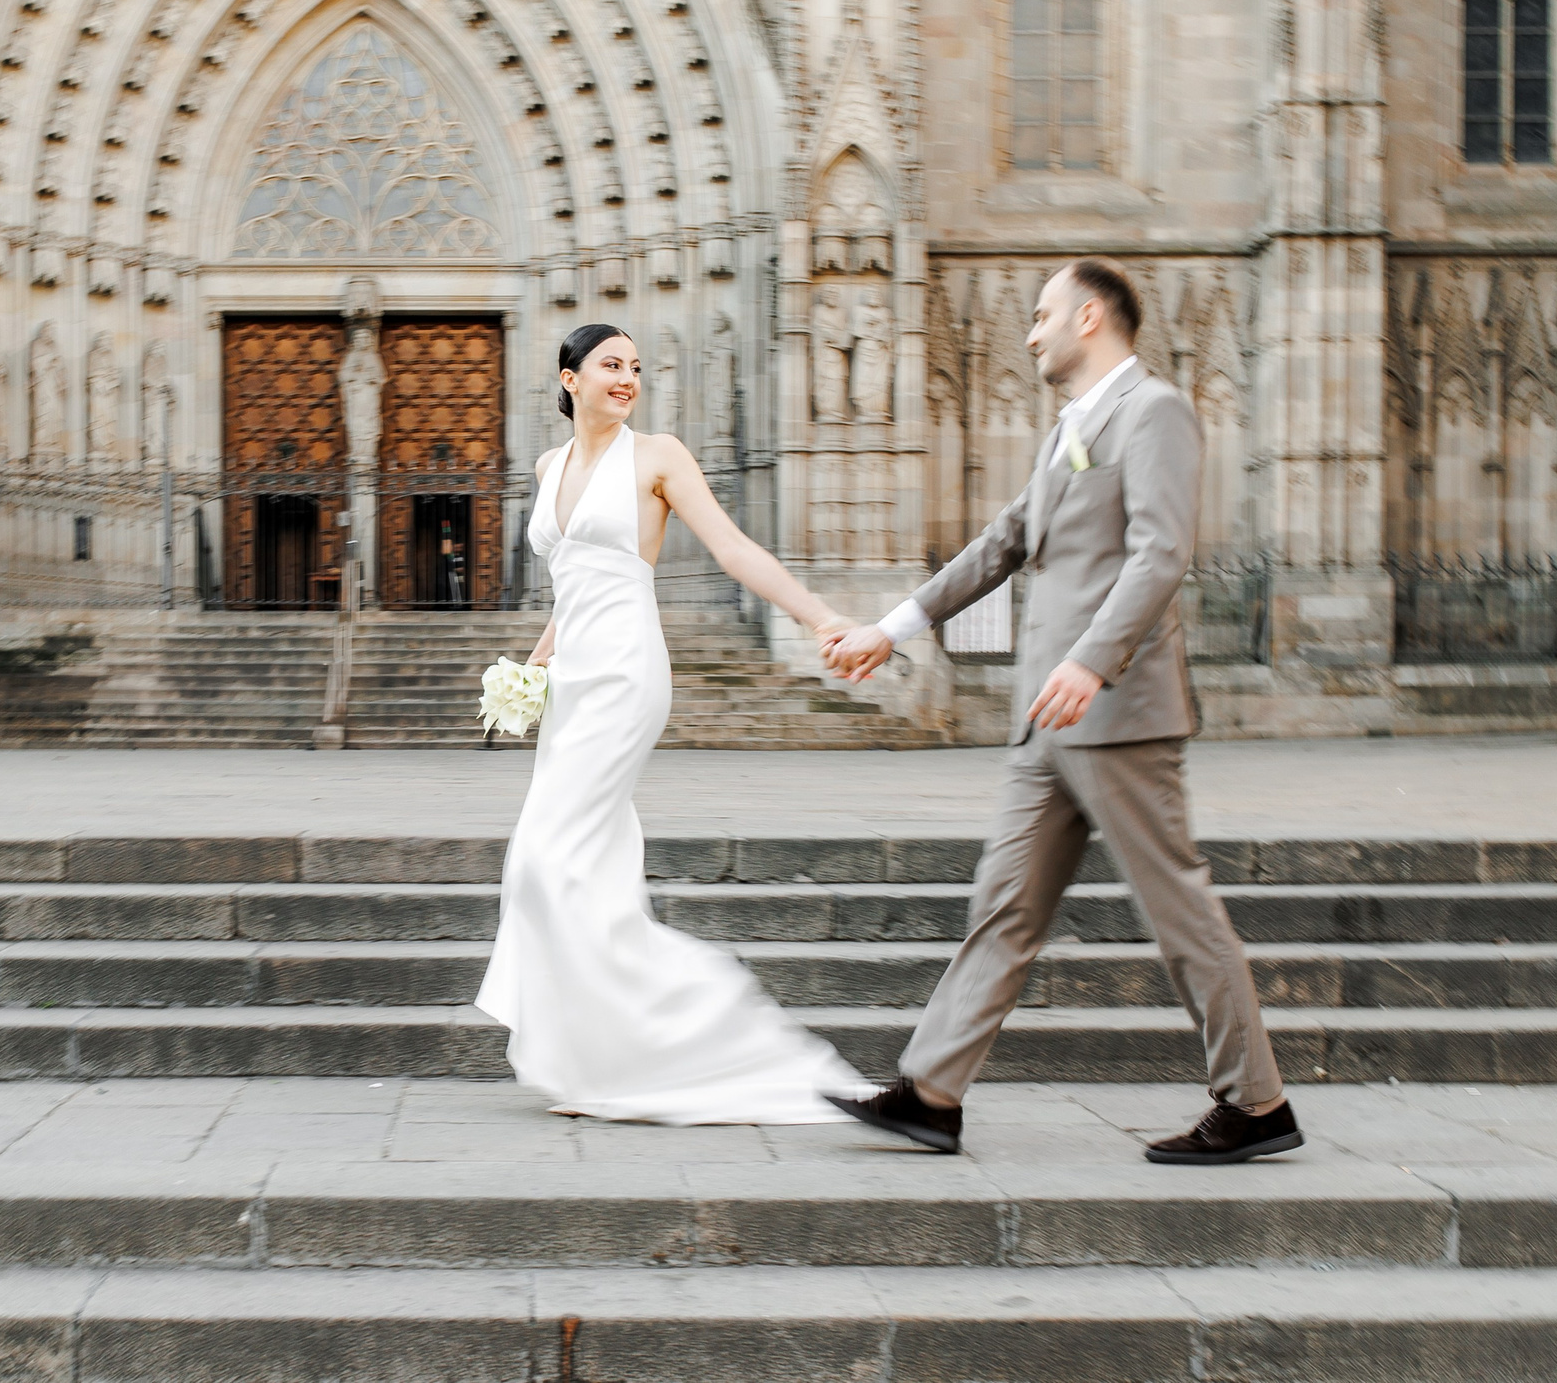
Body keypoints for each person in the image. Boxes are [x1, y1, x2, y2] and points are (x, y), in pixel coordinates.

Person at [821, 257, 1301, 1164]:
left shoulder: (1152, 411)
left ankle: (1256, 1101)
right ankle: (930, 1093)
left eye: (1042, 315)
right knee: (1001, 907)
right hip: (1047, 719)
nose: (1029, 332)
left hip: (1114, 710)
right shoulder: (1066, 428)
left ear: (1089, 317)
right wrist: (894, 627)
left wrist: (1090, 660)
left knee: (1179, 913)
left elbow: (1160, 555)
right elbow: (1001, 543)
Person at [474, 323, 875, 1124]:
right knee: (570, 866)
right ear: (568, 378)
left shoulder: (657, 455)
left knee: (543, 863)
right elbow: (570, 587)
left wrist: (818, 614)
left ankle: (698, 1026)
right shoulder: (551, 466)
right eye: (609, 366)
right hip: (574, 675)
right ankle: (599, 1054)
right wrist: (530, 668)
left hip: (625, 670)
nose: (626, 379)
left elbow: (730, 548)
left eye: (634, 367)